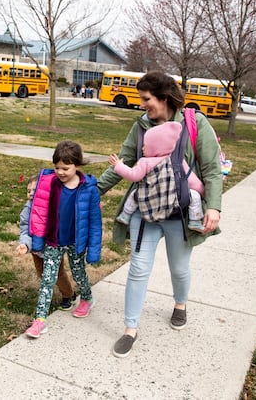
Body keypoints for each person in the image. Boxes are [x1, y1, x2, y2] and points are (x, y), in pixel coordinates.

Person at [97, 71, 222, 358]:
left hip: (179, 213)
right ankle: (130, 329)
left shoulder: (194, 123)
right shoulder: (140, 126)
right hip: (146, 210)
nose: (142, 105)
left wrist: (213, 205)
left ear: (164, 98)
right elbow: (125, 161)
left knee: (179, 268)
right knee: (138, 268)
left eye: (146, 99)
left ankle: (180, 303)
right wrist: (95, 191)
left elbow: (212, 170)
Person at [24, 140, 103, 339]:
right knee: (47, 280)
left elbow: (95, 222)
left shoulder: (89, 189)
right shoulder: (49, 183)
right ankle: (40, 320)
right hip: (53, 241)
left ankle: (86, 298)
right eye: (57, 167)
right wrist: (35, 237)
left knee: (78, 274)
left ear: (77, 165)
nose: (60, 172)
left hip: (76, 242)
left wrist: (93, 250)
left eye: (65, 168)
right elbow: (39, 210)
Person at [108, 121, 206, 231]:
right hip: (173, 200)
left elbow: (133, 175)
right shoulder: (177, 161)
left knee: (134, 194)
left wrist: (119, 166)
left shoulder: (145, 162)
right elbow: (190, 178)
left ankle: (125, 215)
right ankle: (195, 221)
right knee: (195, 196)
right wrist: (203, 191)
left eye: (145, 146)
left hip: (149, 197)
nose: (142, 148)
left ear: (155, 147)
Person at [16, 175, 78, 311]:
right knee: (42, 274)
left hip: (53, 249)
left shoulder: (53, 207)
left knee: (58, 274)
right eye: (28, 191)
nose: (31, 193)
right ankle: (57, 289)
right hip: (36, 251)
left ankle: (69, 295)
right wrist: (25, 245)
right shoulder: (27, 211)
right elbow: (25, 230)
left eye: (34, 190)